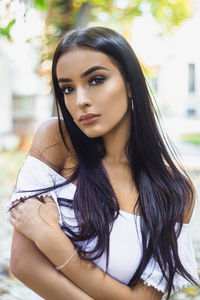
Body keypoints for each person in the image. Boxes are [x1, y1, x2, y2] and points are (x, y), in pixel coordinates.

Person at [8, 26, 199, 300]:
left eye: (96, 80)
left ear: (131, 83)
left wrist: (53, 242)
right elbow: (24, 264)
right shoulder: (55, 141)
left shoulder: (175, 192)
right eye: (68, 89)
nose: (80, 101)